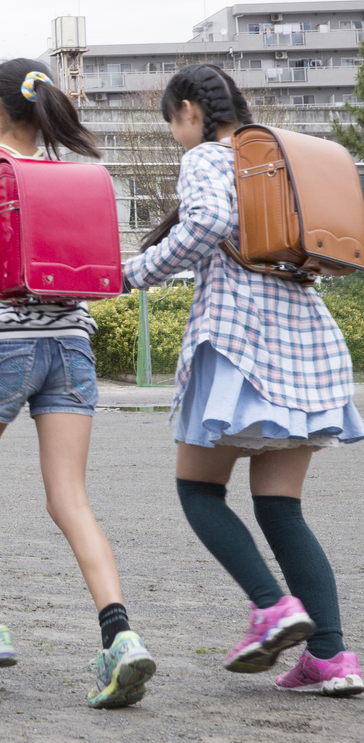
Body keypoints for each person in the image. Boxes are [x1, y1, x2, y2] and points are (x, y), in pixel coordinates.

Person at [0, 59, 154, 710]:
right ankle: (121, 634)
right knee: (70, 497)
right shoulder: (71, 176)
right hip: (72, 345)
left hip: (0, 349)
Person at [125, 64, 363, 697]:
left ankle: (271, 608)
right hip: (306, 339)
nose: (176, 134)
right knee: (282, 510)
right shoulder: (280, 159)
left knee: (198, 491)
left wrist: (138, 271)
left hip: (238, 339)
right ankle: (332, 659)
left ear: (188, 110)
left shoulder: (207, 156)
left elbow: (203, 226)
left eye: (172, 122)